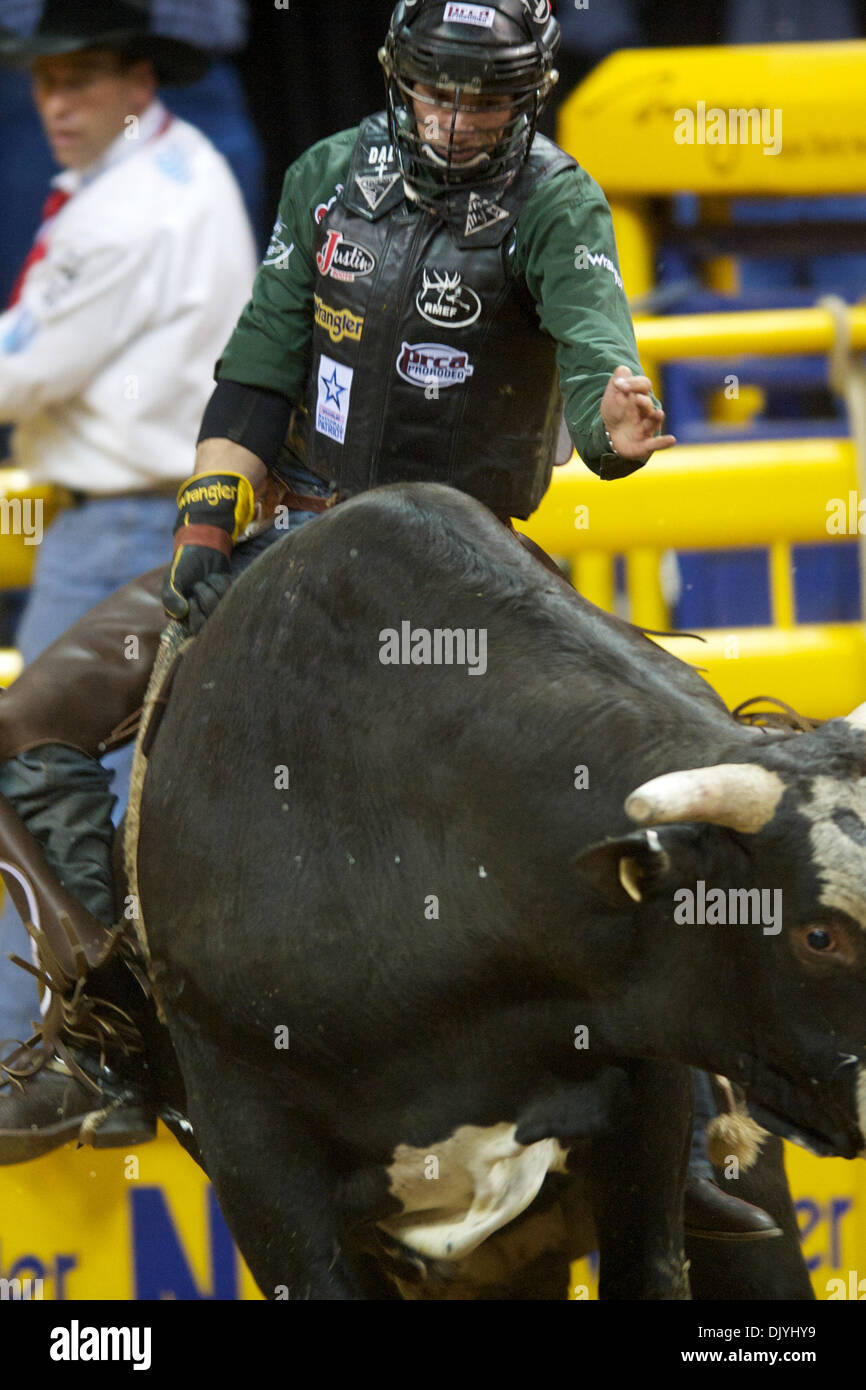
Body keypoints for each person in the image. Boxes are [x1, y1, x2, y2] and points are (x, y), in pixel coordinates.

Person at [0, 0, 777, 1243]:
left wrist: (612, 424)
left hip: (467, 578)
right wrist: (206, 520)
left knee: (623, 785)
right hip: (291, 542)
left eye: (484, 102)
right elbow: (257, 365)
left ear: (525, 97)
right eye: (437, 94)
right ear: (396, 79)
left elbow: (593, 347)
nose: (457, 122)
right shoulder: (322, 177)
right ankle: (105, 1021)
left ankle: (680, 1137)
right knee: (30, 719)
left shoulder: (556, 204)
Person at [0, 0, 257, 1045]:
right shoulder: (180, 162)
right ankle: (121, 1043)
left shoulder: (119, 216)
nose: (57, 101)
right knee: (120, 804)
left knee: (34, 792)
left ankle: (44, 1048)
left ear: (137, 83)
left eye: (83, 79)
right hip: (182, 520)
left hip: (120, 528)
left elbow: (19, 376)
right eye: (46, 80)